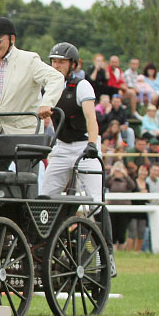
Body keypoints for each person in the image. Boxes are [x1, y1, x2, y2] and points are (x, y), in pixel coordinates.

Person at [0, 17, 65, 152]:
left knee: (24, 173)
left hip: (26, 135)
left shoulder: (29, 60)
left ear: (12, 39)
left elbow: (56, 78)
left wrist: (47, 103)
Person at [39, 43, 101, 199]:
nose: (56, 65)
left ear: (73, 64)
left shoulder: (82, 86)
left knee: (95, 199)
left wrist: (92, 144)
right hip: (61, 147)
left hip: (84, 146)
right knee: (45, 196)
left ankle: (101, 222)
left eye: (61, 62)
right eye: (54, 61)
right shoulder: (47, 88)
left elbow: (91, 118)